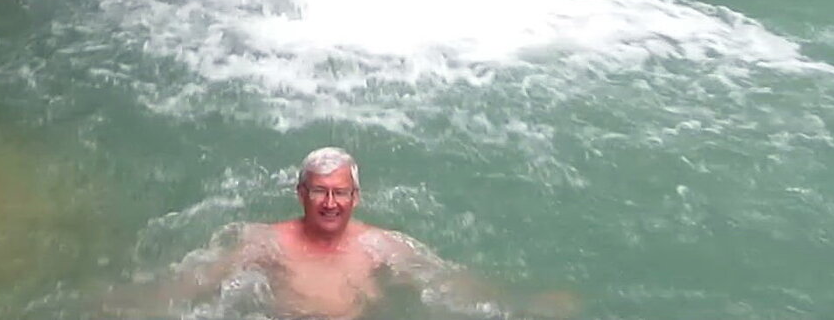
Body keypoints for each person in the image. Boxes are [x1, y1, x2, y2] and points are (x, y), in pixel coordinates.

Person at [107, 147, 574, 320]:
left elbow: (450, 287)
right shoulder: (266, 241)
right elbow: (200, 282)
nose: (331, 203)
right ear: (301, 194)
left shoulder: (379, 244)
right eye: (320, 192)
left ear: (356, 197)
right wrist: (129, 303)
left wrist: (524, 304)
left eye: (341, 193)